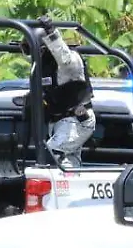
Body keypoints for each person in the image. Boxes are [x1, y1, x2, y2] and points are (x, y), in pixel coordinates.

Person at [33, 15, 95, 169]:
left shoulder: (69, 59)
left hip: (76, 120)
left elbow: (65, 60)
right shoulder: (42, 66)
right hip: (58, 122)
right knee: (68, 163)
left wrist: (51, 34)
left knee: (49, 155)